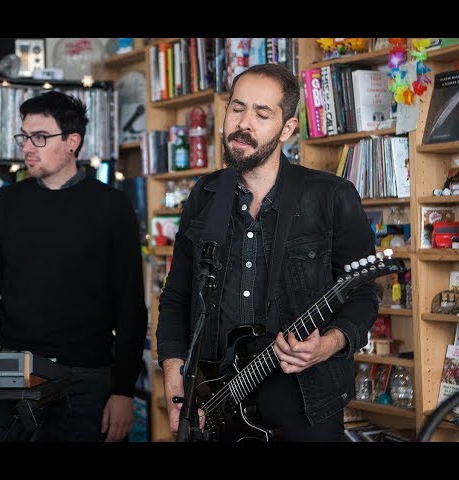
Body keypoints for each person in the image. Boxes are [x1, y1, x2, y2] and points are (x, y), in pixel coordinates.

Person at [156, 63, 379, 442]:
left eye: (262, 114)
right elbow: (176, 297)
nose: (244, 123)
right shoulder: (204, 196)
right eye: (237, 108)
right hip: (215, 401)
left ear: (287, 129)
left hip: (307, 406)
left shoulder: (330, 196)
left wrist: (327, 345)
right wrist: (174, 376)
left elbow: (363, 296)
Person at [0, 90, 148, 442]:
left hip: (88, 377)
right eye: (24, 136)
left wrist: (124, 391)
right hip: (15, 371)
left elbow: (130, 306)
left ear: (72, 142)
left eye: (40, 137)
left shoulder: (112, 207)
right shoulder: (6, 202)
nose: (27, 147)